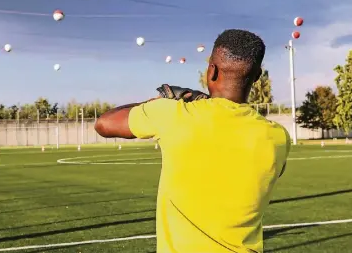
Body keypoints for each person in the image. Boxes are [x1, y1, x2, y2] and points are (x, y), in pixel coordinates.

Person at [94, 29, 291, 253]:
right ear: (257, 77)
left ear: (212, 71)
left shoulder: (173, 114)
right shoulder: (277, 136)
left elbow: (104, 123)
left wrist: (158, 101)